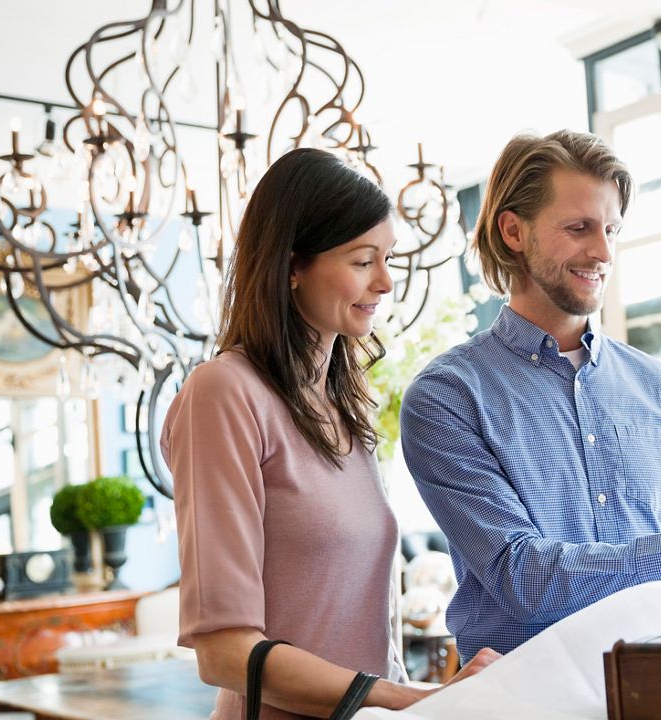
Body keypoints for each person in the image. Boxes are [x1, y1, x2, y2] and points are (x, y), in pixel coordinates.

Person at [399, 129, 661, 663]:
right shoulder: (447, 398)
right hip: (526, 697)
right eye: (578, 228)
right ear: (513, 231)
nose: (602, 252)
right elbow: (522, 577)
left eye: (611, 230)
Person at [162, 148, 496, 720]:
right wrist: (402, 698)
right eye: (363, 261)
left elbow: (365, 631)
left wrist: (418, 703)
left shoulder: (347, 407)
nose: (385, 282)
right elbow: (223, 652)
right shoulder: (224, 392)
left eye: (388, 259)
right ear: (293, 266)